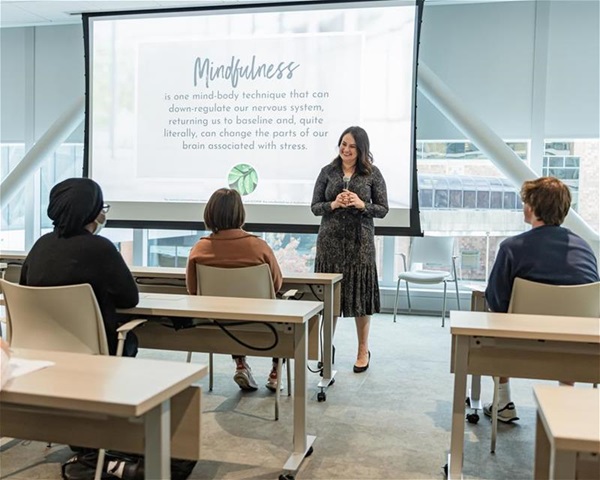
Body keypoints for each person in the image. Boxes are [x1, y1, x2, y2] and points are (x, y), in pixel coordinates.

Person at [484, 176, 599, 422]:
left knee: (495, 321)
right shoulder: (585, 248)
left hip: (517, 345)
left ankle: (502, 401)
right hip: (577, 348)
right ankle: (565, 397)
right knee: (570, 325)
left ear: (532, 207)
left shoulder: (512, 247)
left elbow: (496, 300)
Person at [20, 178, 140, 357]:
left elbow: (25, 291)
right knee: (130, 339)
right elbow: (129, 299)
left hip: (40, 347)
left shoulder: (40, 245)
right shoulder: (102, 248)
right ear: (92, 211)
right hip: (92, 349)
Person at [186, 188, 284, 392]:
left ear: (210, 213)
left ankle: (240, 363)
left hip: (217, 324)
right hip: (265, 325)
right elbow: (277, 285)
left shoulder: (199, 249)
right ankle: (276, 371)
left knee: (229, 309)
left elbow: (192, 289)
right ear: (240, 213)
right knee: (284, 308)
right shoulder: (259, 247)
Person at [311, 126, 389, 372]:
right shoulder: (327, 171)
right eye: (343, 144)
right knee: (330, 300)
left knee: (360, 300)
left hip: (360, 244)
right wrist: (333, 204)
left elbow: (383, 209)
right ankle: (326, 348)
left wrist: (361, 204)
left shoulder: (372, 174)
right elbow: (315, 206)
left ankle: (362, 349)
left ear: (361, 149)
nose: (346, 149)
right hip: (330, 244)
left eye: (352, 146)